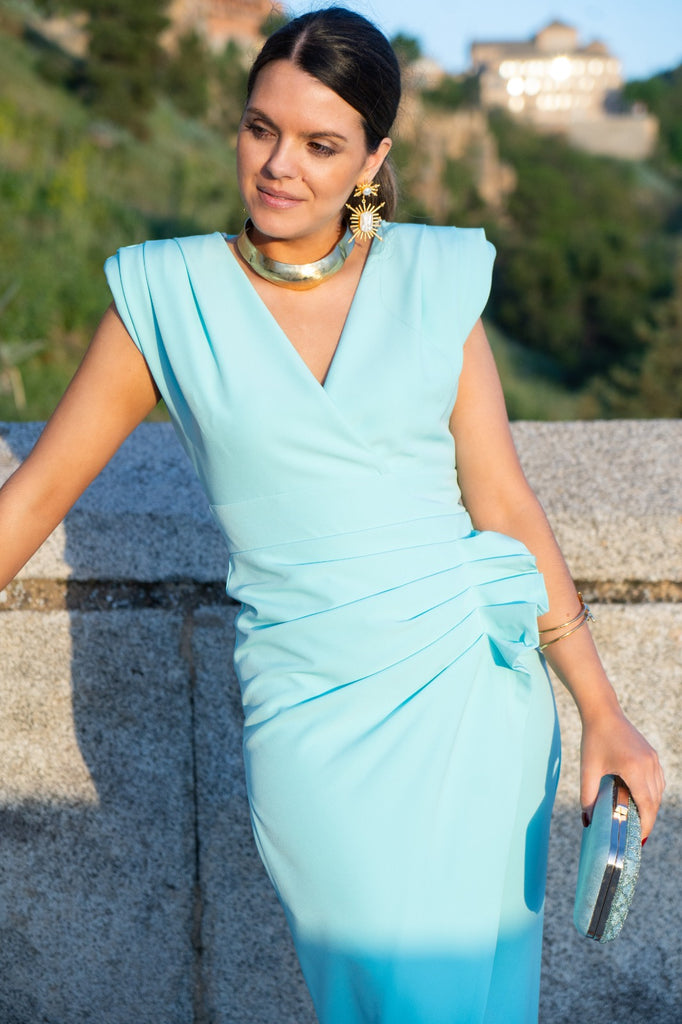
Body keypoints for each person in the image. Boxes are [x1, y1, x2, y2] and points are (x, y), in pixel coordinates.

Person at [0, 7, 664, 1023]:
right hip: (312, 725)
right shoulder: (166, 298)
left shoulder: (431, 278)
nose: (279, 165)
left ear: (371, 160)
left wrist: (601, 711)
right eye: (261, 129)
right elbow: (36, 496)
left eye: (320, 144)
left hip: (471, 705)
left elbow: (502, 502)